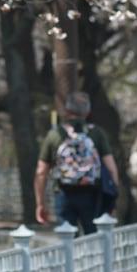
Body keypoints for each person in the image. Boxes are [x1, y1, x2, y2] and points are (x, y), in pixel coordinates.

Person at [34, 92, 119, 235]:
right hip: (91, 194)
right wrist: (112, 198)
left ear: (67, 111)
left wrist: (40, 203)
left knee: (67, 237)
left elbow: (41, 171)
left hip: (63, 193)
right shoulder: (96, 133)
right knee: (93, 239)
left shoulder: (55, 135)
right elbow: (111, 168)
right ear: (87, 112)